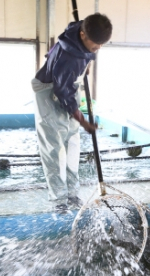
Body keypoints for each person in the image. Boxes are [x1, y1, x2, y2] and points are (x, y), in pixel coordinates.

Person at [32, 13, 112, 212]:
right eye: (95, 46)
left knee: (72, 144)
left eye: (102, 45)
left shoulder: (80, 29)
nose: (98, 49)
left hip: (67, 85)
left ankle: (73, 194)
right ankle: (59, 200)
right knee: (55, 149)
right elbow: (62, 93)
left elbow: (75, 25)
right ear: (83, 35)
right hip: (50, 91)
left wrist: (89, 61)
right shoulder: (69, 59)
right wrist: (83, 121)